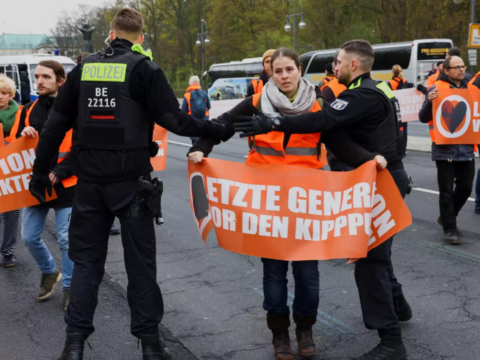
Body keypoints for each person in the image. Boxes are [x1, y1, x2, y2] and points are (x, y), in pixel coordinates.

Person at [28, 8, 231, 360]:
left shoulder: (84, 70)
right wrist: (217, 130)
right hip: (132, 185)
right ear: (141, 37)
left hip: (89, 187)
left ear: (110, 33)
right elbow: (177, 121)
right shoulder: (145, 69)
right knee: (141, 268)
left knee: (87, 265)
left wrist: (39, 174)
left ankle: (74, 345)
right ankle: (151, 347)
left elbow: (55, 126)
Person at [188, 47, 388, 360]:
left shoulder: (319, 104)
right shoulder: (256, 103)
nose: (284, 76)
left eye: (289, 70)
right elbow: (223, 125)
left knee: (308, 276)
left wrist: (369, 159)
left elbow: (340, 144)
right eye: (278, 71)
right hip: (267, 204)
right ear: (270, 72)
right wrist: (200, 148)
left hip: (307, 203)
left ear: (299, 71)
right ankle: (279, 334)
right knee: (274, 274)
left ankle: (305, 329)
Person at [232, 40, 412, 360]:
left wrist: (273, 122)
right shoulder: (382, 88)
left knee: (370, 265)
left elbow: (323, 125)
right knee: (377, 256)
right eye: (278, 70)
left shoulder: (358, 95)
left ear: (353, 65)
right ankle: (400, 309)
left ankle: (391, 341)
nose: (335, 67)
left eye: (339, 62)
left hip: (377, 179)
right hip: (380, 175)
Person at [16, 61, 76, 311]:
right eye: (37, 76)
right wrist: (21, 134)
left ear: (60, 81)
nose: (39, 80)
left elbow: (83, 149)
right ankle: (50, 272)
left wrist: (59, 172)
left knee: (66, 239)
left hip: (68, 185)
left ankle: (71, 289)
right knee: (29, 236)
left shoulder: (76, 109)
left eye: (46, 77)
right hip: (38, 185)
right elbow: (12, 148)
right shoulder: (27, 110)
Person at [418, 56, 477, 245]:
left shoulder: (473, 90)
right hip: (444, 150)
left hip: (467, 149)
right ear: (447, 70)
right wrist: (429, 101)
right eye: (457, 67)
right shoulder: (437, 89)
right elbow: (422, 117)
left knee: (466, 188)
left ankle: (446, 217)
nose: (461, 69)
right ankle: (450, 229)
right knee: (446, 191)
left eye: (463, 66)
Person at [0, 75, 21, 268]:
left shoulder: (20, 114)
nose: (0, 96)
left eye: (3, 93)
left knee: (12, 214)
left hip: (12, 171)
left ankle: (8, 252)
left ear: (10, 95)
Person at [386, 65, 414, 148]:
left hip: (395, 110)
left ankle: (396, 147)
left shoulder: (390, 83)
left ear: (393, 72)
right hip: (404, 110)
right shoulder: (405, 82)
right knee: (404, 130)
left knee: (395, 129)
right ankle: (404, 147)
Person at [181, 75, 211, 144]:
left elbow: (183, 111)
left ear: (190, 83)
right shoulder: (204, 93)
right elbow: (209, 106)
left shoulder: (187, 95)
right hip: (204, 120)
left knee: (194, 144)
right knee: (203, 143)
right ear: (198, 83)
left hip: (193, 121)